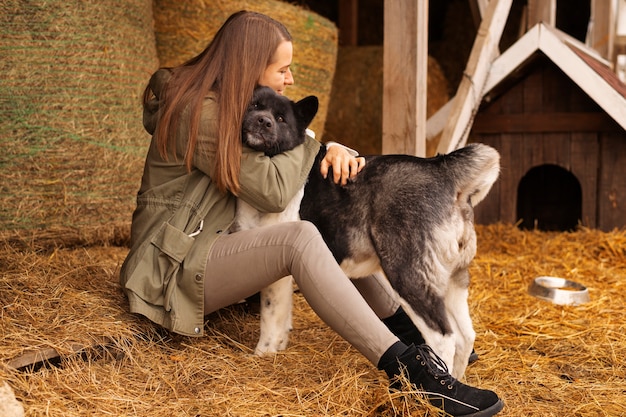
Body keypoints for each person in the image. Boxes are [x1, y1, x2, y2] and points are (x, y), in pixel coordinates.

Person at [119, 10, 503, 417]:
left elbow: (276, 169)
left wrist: (327, 147)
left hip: (207, 247)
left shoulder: (231, 107)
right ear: (250, 67)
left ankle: (414, 337)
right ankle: (412, 371)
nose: (290, 80)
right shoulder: (198, 112)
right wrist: (310, 140)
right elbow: (273, 190)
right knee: (300, 236)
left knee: (333, 228)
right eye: (282, 69)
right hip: (170, 269)